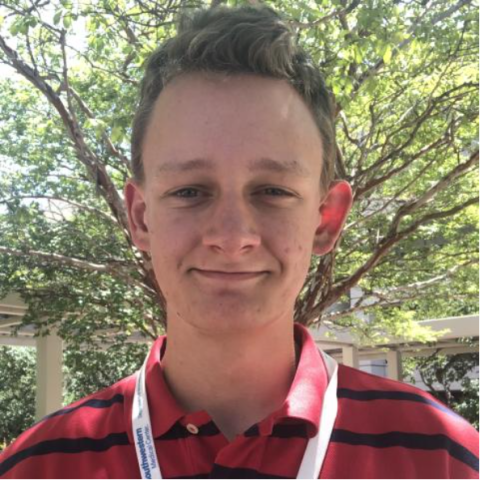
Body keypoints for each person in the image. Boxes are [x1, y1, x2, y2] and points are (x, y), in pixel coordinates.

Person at [0, 4, 478, 479]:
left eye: (273, 191)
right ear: (141, 217)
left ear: (325, 219)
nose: (231, 238)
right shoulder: (37, 466)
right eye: (189, 191)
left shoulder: (446, 459)